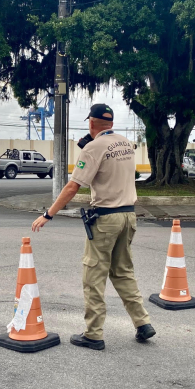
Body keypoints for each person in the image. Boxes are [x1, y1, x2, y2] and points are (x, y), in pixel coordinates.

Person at [32, 104, 154, 350]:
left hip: (106, 218)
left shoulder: (92, 147)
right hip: (128, 216)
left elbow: (73, 186)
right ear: (110, 123)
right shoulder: (126, 144)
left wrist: (49, 214)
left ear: (91, 122)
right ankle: (142, 323)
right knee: (123, 272)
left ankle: (94, 334)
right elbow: (111, 167)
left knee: (94, 277)